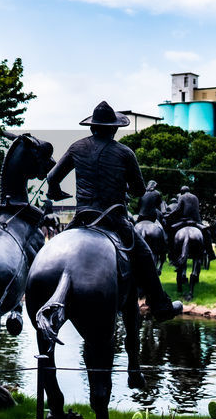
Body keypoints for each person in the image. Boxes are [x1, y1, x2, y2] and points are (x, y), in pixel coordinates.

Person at [45, 101, 181, 321]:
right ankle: (160, 305)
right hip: (113, 220)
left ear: (92, 127)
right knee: (145, 254)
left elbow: (52, 177)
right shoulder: (125, 153)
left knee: (53, 250)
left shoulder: (77, 147)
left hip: (82, 219)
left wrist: (56, 192)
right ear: (114, 129)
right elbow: (139, 190)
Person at [164, 185, 214, 263]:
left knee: (171, 234)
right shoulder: (195, 197)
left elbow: (178, 209)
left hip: (184, 221)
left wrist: (169, 215)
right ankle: (211, 253)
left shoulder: (181, 197)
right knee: (207, 233)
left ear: (182, 192)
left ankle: (172, 255)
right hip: (196, 221)